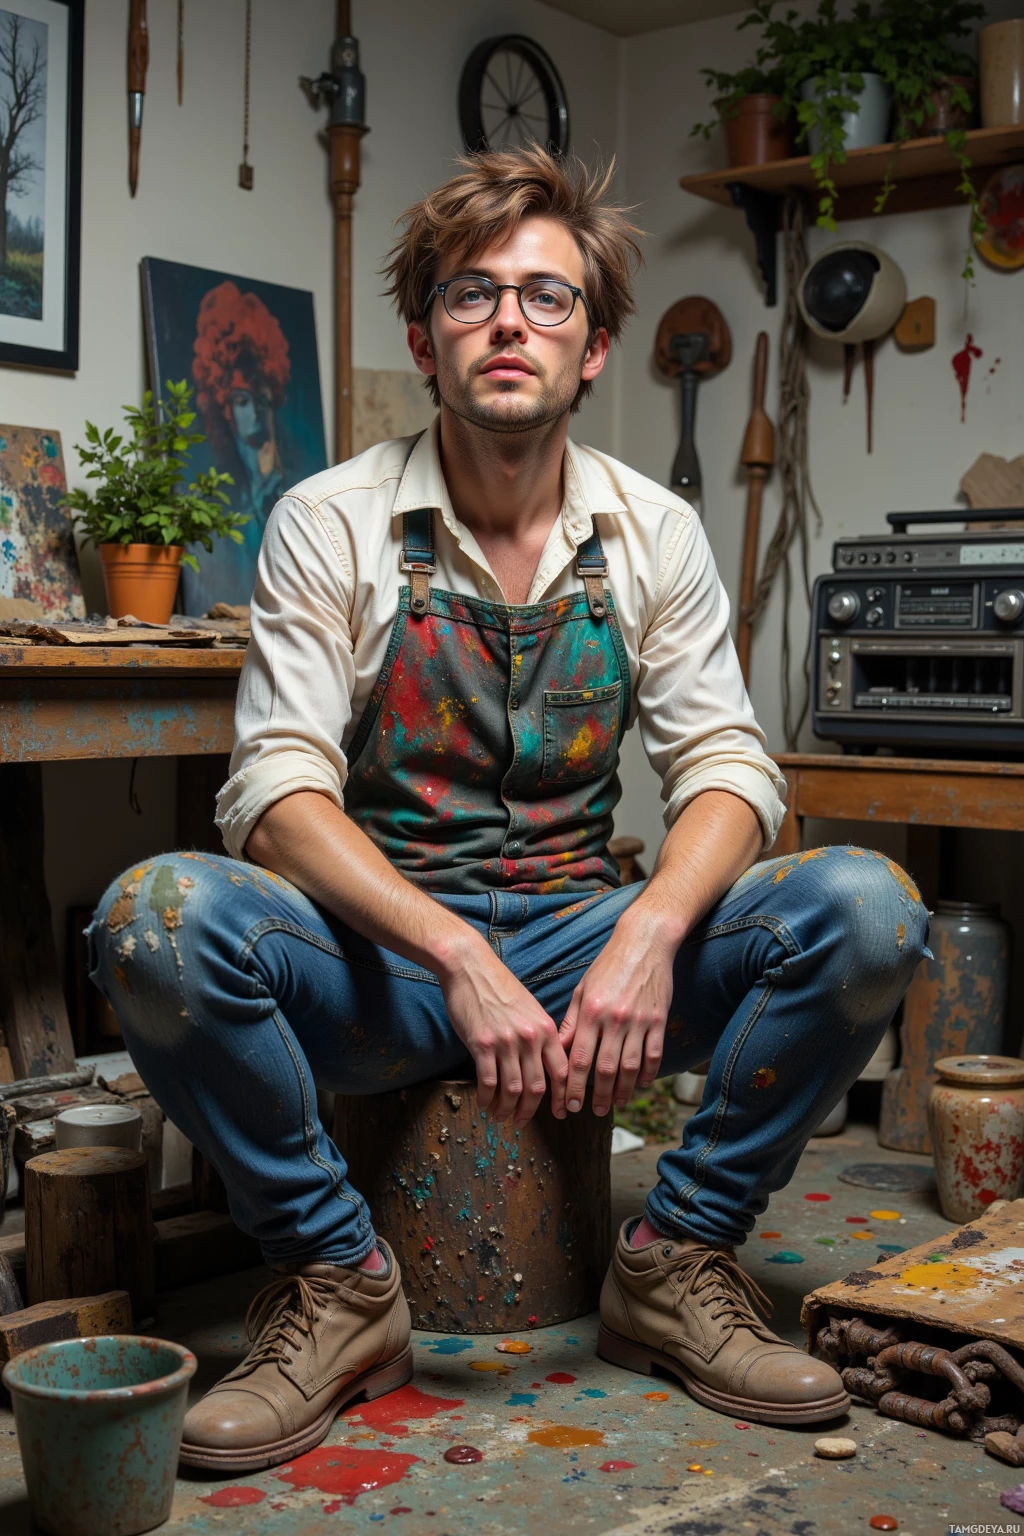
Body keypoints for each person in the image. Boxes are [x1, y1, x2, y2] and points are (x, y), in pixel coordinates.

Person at [90, 147, 927, 1474]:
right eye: (474, 295)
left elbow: (730, 768)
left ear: (595, 348)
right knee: (159, 918)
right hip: (380, 963)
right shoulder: (331, 519)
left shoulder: (652, 533)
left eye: (547, 299)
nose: (508, 325)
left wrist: (647, 936)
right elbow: (273, 790)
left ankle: (675, 1260)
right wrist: (457, 952)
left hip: (584, 946)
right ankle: (339, 1286)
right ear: (426, 337)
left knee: (869, 909)